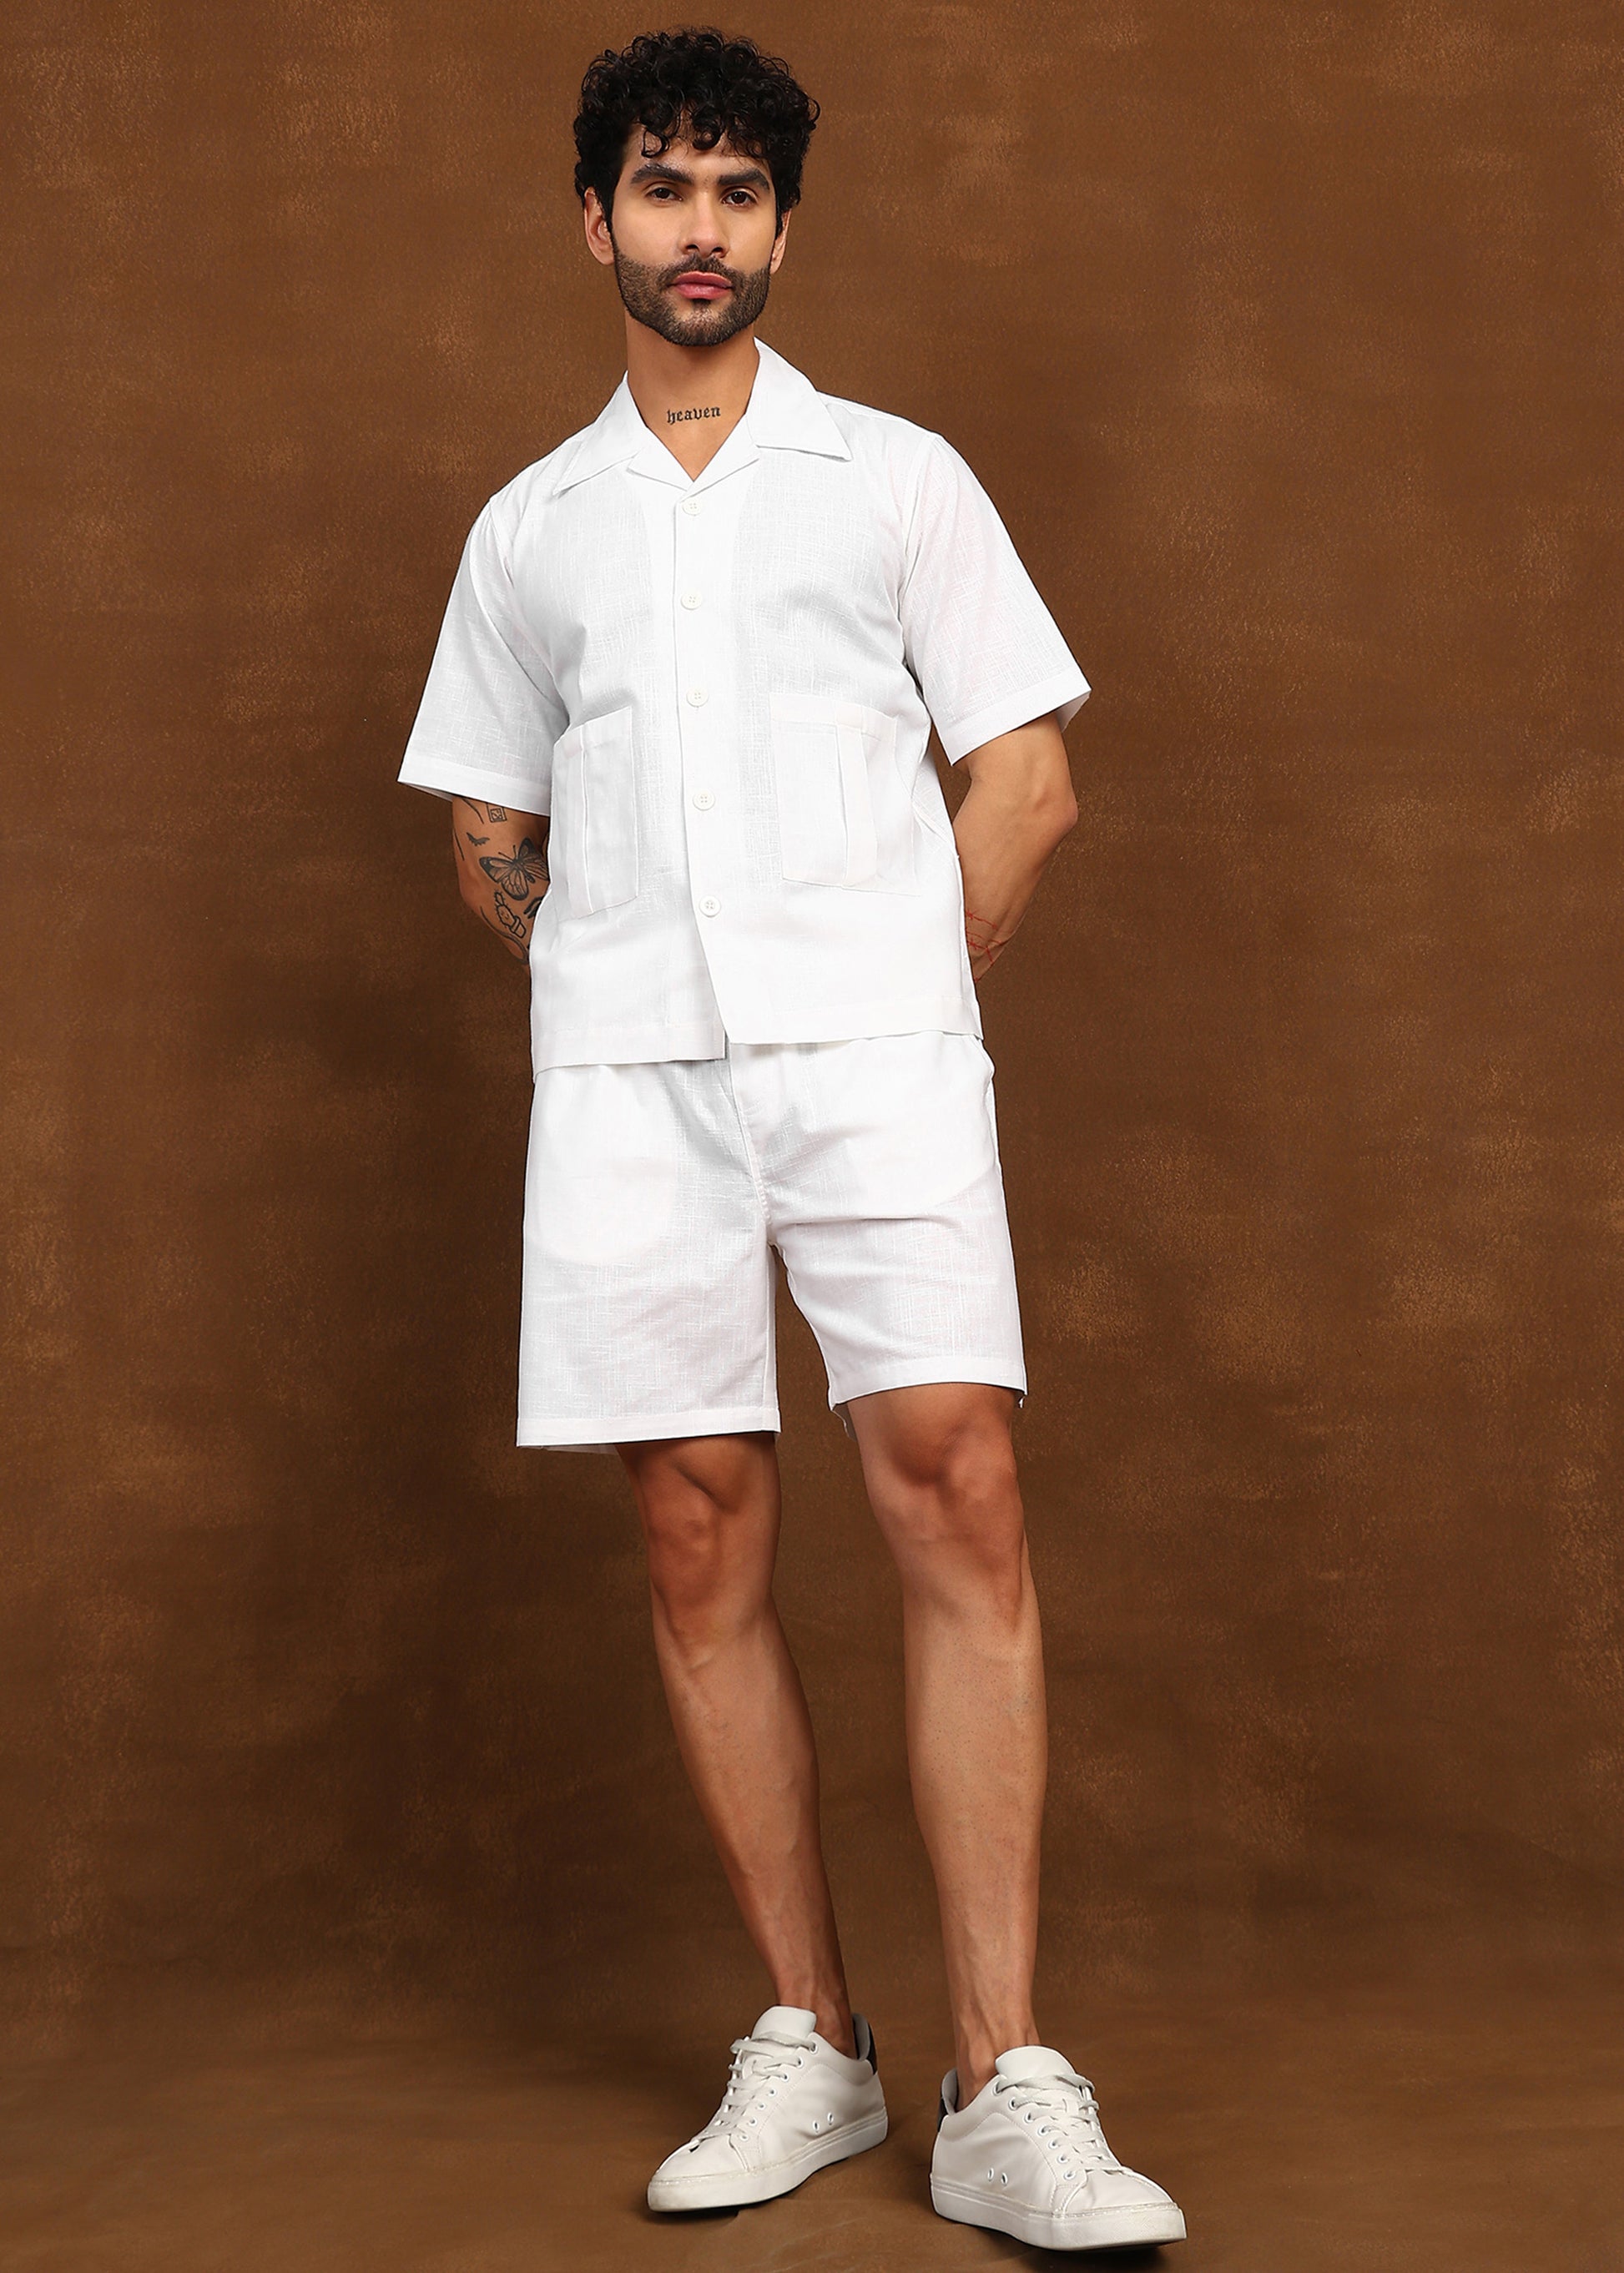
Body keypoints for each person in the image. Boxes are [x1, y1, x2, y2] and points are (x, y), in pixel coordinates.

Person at [397, 26, 1185, 2255]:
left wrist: (895, 983)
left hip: (875, 1057)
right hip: (631, 1076)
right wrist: (602, 958)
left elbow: (1024, 773)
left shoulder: (895, 481)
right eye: (663, 187)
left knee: (953, 1477)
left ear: (780, 229)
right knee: (692, 1523)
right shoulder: (531, 529)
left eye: (739, 193)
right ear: (597, 219)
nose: (702, 228)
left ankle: (1005, 2082)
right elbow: (487, 821)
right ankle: (810, 2042)